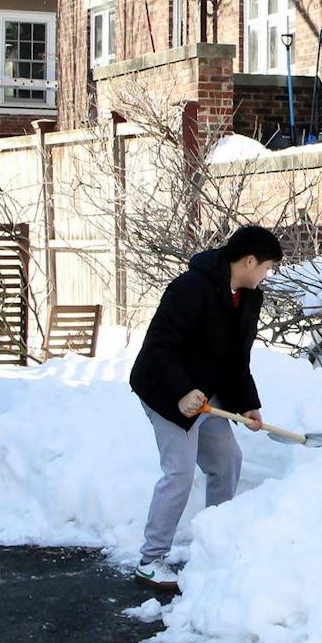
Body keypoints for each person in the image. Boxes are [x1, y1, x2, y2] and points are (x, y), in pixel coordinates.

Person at [128, 226, 282, 591]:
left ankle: (216, 543)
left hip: (206, 395)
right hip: (166, 392)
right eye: (267, 267)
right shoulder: (190, 288)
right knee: (179, 473)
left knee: (227, 461)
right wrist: (181, 392)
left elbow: (236, 359)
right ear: (248, 261)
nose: (267, 275)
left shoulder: (248, 298)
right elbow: (160, 347)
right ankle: (150, 560)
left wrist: (247, 405)